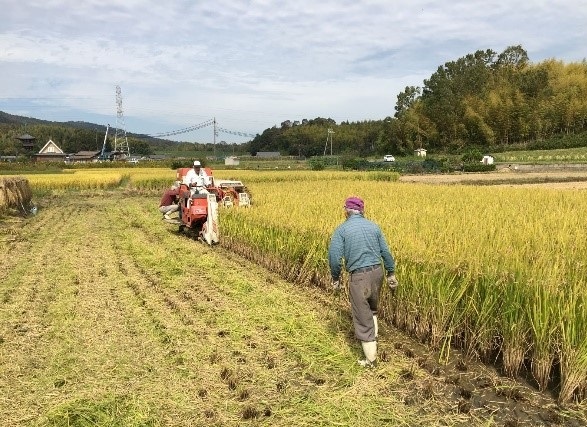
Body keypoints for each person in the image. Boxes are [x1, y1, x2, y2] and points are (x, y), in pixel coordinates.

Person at [328, 196, 398, 368]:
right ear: (362, 210)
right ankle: (374, 341)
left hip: (359, 277)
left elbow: (334, 258)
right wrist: (391, 273)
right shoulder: (374, 226)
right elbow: (386, 252)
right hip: (377, 273)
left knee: (362, 317)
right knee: (372, 309)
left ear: (346, 210)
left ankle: (371, 361)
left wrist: (335, 278)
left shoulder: (342, 230)